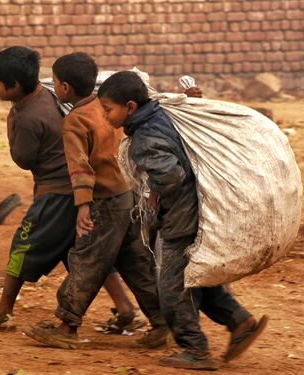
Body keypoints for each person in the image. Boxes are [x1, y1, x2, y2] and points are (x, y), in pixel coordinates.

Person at [0, 46, 145, 333]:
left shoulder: (26, 117)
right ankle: (125, 309)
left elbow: (23, 159)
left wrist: (11, 123)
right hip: (78, 191)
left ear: (15, 86)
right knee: (79, 250)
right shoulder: (47, 94)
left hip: (56, 194)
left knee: (22, 246)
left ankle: (2, 312)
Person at [97, 71, 269, 370]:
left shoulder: (145, 137)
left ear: (130, 107)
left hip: (181, 217)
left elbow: (170, 175)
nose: (105, 115)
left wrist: (154, 192)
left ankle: (195, 349)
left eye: (108, 109)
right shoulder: (162, 113)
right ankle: (240, 322)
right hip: (200, 210)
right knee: (194, 276)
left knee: (172, 286)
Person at [23, 52, 168, 349]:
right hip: (128, 195)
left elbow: (80, 167)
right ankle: (163, 322)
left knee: (87, 260)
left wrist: (83, 206)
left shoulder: (76, 120)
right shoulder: (109, 109)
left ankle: (66, 327)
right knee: (136, 263)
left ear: (63, 88)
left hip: (104, 201)